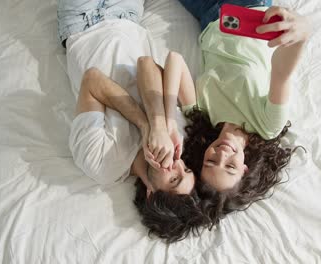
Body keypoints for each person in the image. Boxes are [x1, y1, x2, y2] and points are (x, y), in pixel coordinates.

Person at [57, 0, 209, 242]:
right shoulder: (175, 137)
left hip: (82, 20)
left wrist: (144, 125)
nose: (178, 164)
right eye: (187, 169)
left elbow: (92, 80)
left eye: (174, 178)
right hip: (127, 14)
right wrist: (159, 125)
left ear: (151, 193)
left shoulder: (102, 162)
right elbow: (146, 65)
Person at [149, 0, 311, 225]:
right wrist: (301, 35)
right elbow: (281, 74)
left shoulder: (204, 117)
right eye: (230, 166)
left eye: (210, 162)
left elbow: (174, 60)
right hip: (249, 9)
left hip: (208, 17)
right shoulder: (267, 125)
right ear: (245, 169)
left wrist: (168, 125)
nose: (221, 154)